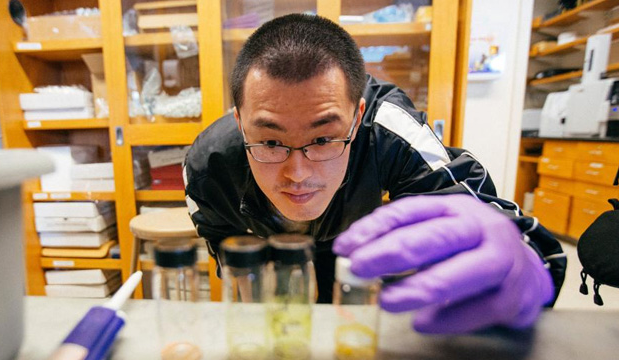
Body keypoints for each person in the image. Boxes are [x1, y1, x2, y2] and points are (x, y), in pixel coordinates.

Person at [184, 14, 566, 333]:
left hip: (364, 267)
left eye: (323, 138)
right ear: (239, 121)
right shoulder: (208, 167)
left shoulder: (390, 132)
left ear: (358, 115)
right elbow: (235, 262)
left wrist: (523, 258)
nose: (297, 173)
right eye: (270, 143)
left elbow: (476, 214)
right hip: (279, 262)